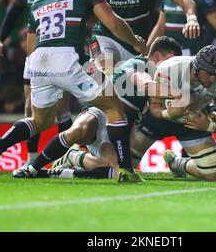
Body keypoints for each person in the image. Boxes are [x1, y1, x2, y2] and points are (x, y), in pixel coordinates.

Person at [0, 0, 146, 183]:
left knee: (40, 122)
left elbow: (30, 43)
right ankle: (126, 169)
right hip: (67, 57)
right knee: (114, 106)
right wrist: (136, 42)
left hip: (38, 61)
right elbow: (113, 22)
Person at [12, 36, 183, 179]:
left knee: (115, 171)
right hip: (100, 112)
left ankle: (70, 161)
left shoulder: (162, 81)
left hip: (117, 131)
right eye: (172, 60)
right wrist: (180, 95)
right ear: (159, 55)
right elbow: (146, 85)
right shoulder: (137, 64)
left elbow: (154, 108)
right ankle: (32, 168)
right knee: (80, 129)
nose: (173, 67)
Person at [0, 0, 72, 167]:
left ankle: (64, 160)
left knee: (62, 108)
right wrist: (0, 39)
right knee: (30, 108)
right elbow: (13, 12)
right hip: (34, 56)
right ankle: (32, 159)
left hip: (60, 53)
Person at [134, 45, 216, 181]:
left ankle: (177, 164)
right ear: (196, 67)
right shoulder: (170, 69)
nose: (213, 79)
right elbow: (154, 108)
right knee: (126, 164)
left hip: (192, 122)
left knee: (215, 176)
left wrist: (209, 126)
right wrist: (169, 114)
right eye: (209, 73)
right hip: (156, 120)